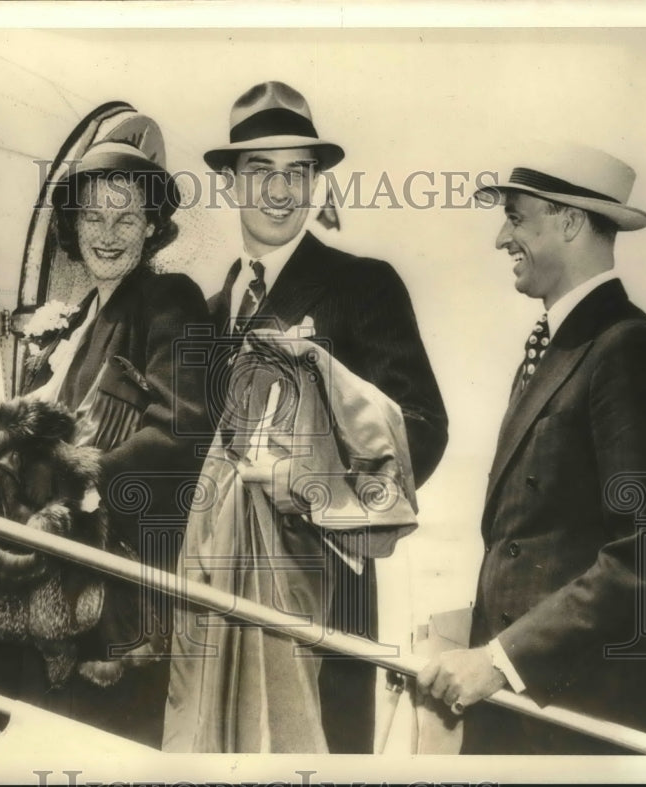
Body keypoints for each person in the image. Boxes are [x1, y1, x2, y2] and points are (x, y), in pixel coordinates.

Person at [165, 81, 449, 753]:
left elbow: (423, 431)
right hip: (213, 618)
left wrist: (303, 480)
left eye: (298, 171)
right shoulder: (206, 315)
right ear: (231, 182)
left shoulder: (363, 285)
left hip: (321, 610)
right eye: (260, 171)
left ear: (316, 181)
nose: (280, 190)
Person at [415, 143, 646, 753]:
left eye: (515, 217)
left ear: (569, 220)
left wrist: (500, 660)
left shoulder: (629, 348)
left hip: (582, 720)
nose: (499, 239)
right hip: (521, 714)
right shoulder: (562, 345)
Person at [0, 108, 211, 748]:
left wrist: (76, 486)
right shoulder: (74, 325)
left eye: (126, 217)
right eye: (93, 217)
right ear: (74, 226)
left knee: (95, 743)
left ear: (152, 227)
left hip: (115, 595)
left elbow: (181, 433)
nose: (108, 233)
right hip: (53, 584)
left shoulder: (170, 299)